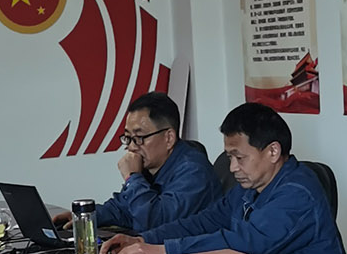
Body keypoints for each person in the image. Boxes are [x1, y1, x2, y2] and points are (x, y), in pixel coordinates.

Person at [101, 103, 347, 254]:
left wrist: (164, 251)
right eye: (229, 157)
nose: (232, 168)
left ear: (273, 151)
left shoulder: (298, 193)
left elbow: (244, 242)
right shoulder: (249, 187)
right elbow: (204, 222)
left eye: (239, 157)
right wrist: (144, 240)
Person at [53, 92, 221, 232]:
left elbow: (154, 223)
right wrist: (85, 217)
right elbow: (122, 209)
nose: (132, 147)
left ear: (169, 138)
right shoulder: (151, 167)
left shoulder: (193, 171)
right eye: (128, 137)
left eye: (139, 137)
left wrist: (132, 177)